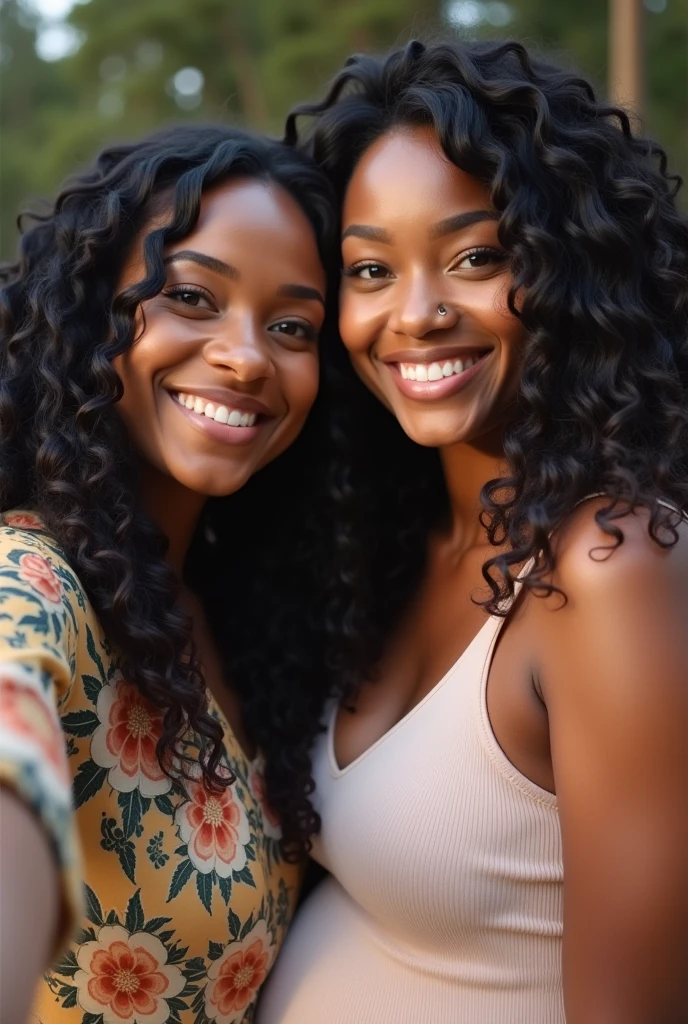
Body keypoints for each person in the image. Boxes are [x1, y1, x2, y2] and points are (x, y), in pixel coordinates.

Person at [257, 39, 688, 1024]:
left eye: (475, 257)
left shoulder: (611, 565)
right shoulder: (385, 538)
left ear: (573, 267)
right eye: (370, 269)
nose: (414, 314)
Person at [0, 124, 337, 1024]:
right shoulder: (31, 580)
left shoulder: (236, 611)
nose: (248, 355)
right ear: (86, 310)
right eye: (191, 295)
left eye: (293, 325)